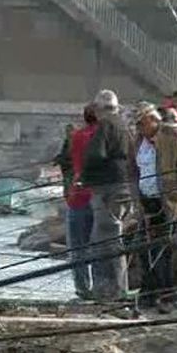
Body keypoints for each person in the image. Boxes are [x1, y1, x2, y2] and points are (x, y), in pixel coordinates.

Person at [131, 102, 177, 312]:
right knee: (146, 248)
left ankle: (168, 295)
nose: (138, 128)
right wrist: (135, 194)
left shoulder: (174, 135)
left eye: (140, 123)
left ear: (152, 120)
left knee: (170, 249)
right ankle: (149, 292)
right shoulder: (137, 141)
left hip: (172, 203)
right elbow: (131, 169)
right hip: (147, 201)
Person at [81, 90, 133, 300]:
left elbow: (96, 153)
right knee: (112, 238)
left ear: (99, 109)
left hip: (106, 188)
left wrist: (84, 176)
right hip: (124, 186)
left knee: (104, 241)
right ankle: (115, 290)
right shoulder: (124, 126)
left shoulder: (106, 125)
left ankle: (110, 291)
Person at [65, 103, 98, 299]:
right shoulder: (111, 135)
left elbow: (75, 162)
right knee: (100, 246)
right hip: (102, 198)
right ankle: (102, 286)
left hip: (79, 197)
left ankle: (83, 289)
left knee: (78, 248)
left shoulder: (78, 136)